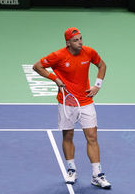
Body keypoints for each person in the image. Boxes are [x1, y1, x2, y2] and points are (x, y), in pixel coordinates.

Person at [32, 27, 111, 189]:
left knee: (92, 137)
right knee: (68, 136)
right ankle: (71, 170)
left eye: (81, 38)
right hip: (66, 103)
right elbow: (37, 66)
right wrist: (55, 78)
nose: (80, 42)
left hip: (86, 101)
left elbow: (102, 66)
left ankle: (97, 174)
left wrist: (97, 86)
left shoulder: (89, 52)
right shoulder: (58, 56)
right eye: (76, 40)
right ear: (68, 43)